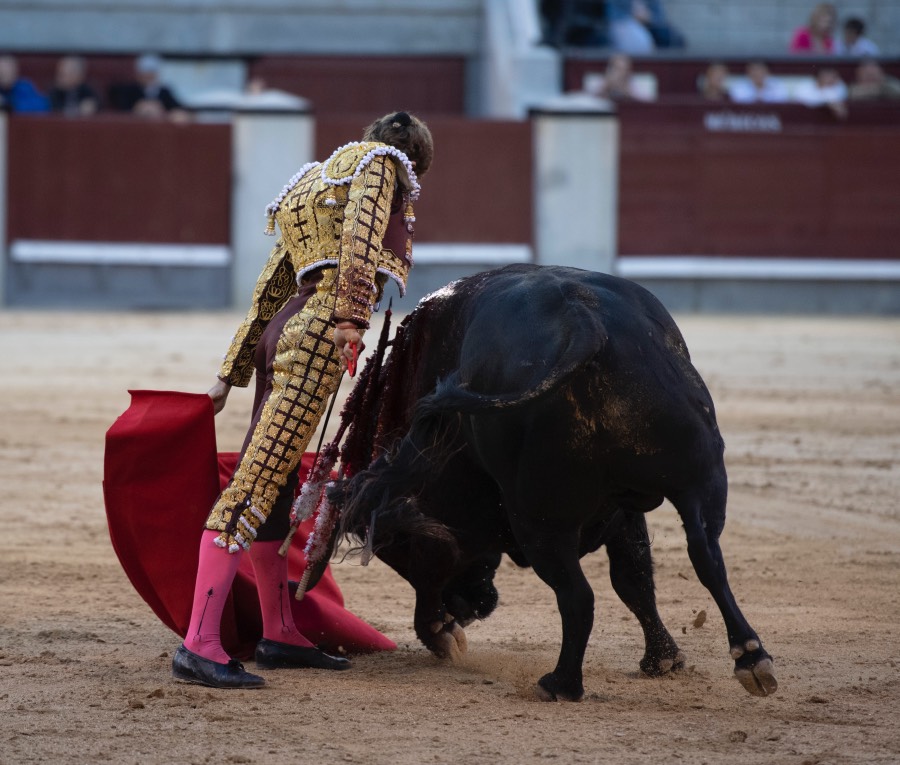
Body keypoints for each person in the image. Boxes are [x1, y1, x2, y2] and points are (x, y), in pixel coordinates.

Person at [172, 110, 434, 689]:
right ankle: (200, 644)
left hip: (285, 327)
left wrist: (231, 372)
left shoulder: (309, 181)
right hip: (318, 329)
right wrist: (349, 319)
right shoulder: (384, 166)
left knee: (278, 479)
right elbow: (363, 238)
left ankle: (278, 631)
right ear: (411, 159)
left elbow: (273, 282)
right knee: (258, 482)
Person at [108, 53, 187, 119]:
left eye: (152, 72)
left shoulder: (164, 92)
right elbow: (120, 107)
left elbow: (177, 108)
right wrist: (138, 108)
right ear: (138, 74)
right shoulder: (129, 90)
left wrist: (163, 110)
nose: (148, 76)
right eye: (145, 72)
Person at [585, 53, 653, 102]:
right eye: (617, 69)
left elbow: (647, 101)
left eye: (623, 69)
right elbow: (587, 100)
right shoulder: (600, 81)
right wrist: (605, 87)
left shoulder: (633, 82)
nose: (620, 73)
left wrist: (628, 93)